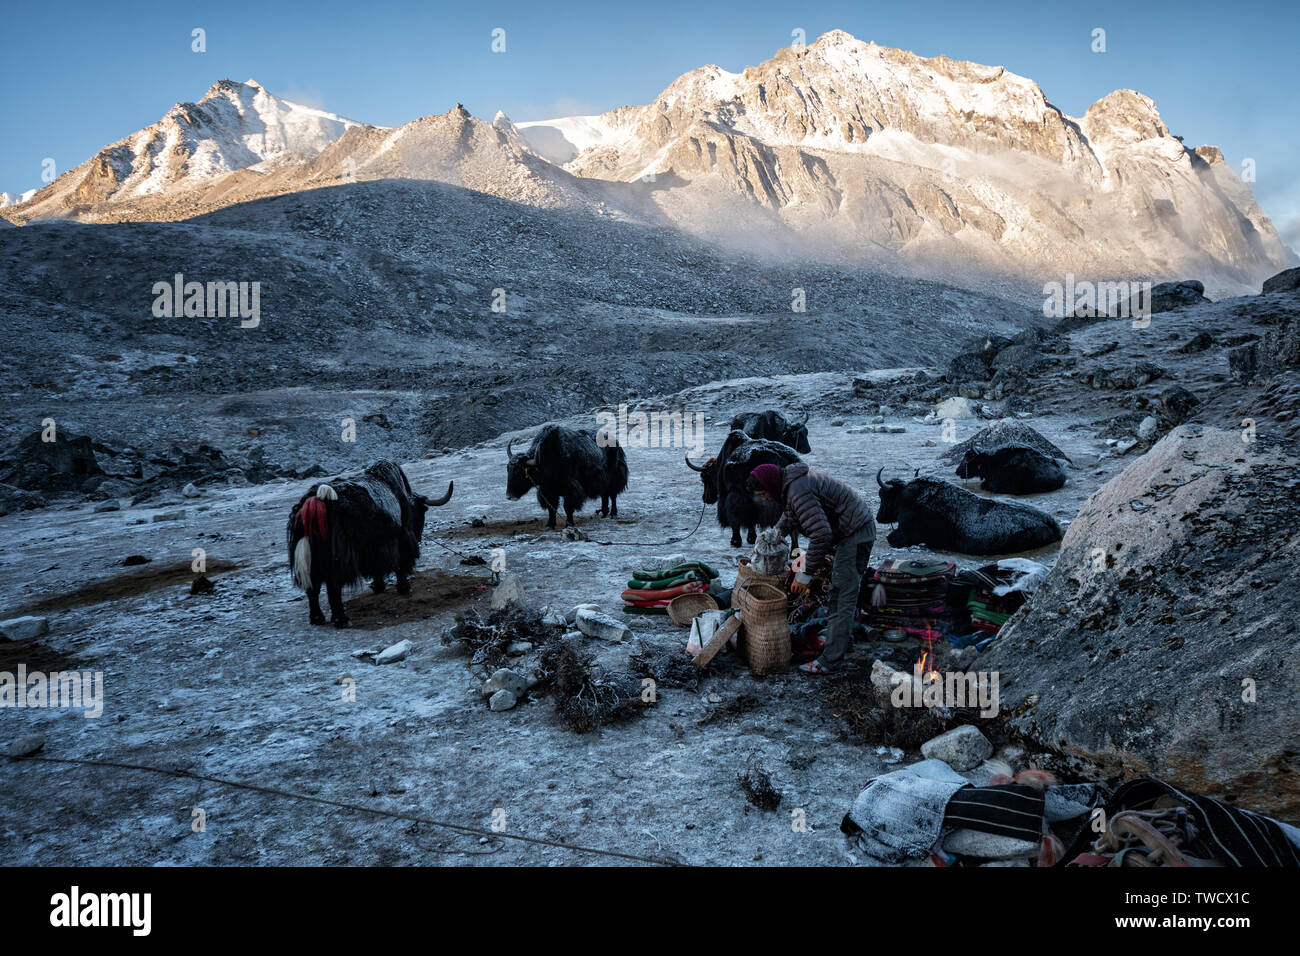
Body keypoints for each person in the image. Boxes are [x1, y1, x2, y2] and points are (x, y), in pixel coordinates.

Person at [747, 461, 875, 674]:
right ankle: (840, 641)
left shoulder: (797, 491)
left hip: (855, 533)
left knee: (841, 594)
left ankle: (830, 661)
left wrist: (805, 574)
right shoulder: (791, 485)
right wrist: (775, 534)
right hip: (849, 528)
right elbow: (791, 514)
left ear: (771, 486)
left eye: (763, 493)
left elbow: (821, 534)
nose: (763, 498)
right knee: (842, 589)